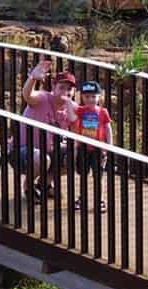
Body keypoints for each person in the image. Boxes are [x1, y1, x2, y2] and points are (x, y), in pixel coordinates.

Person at [13, 59, 78, 199]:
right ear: (53, 87)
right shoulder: (43, 98)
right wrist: (33, 78)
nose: (66, 91)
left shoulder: (71, 108)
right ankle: (28, 186)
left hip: (49, 151)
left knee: (77, 155)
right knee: (41, 158)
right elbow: (28, 95)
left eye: (69, 89)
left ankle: (45, 184)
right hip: (22, 151)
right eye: (61, 87)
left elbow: (79, 128)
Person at [70, 80, 113, 211]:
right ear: (82, 97)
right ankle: (82, 198)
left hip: (98, 149)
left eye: (94, 96)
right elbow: (73, 122)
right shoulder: (80, 111)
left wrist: (108, 146)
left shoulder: (102, 112)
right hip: (83, 147)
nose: (90, 100)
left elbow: (108, 129)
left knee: (98, 176)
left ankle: (100, 200)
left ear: (99, 97)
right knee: (83, 174)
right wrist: (75, 147)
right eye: (87, 96)